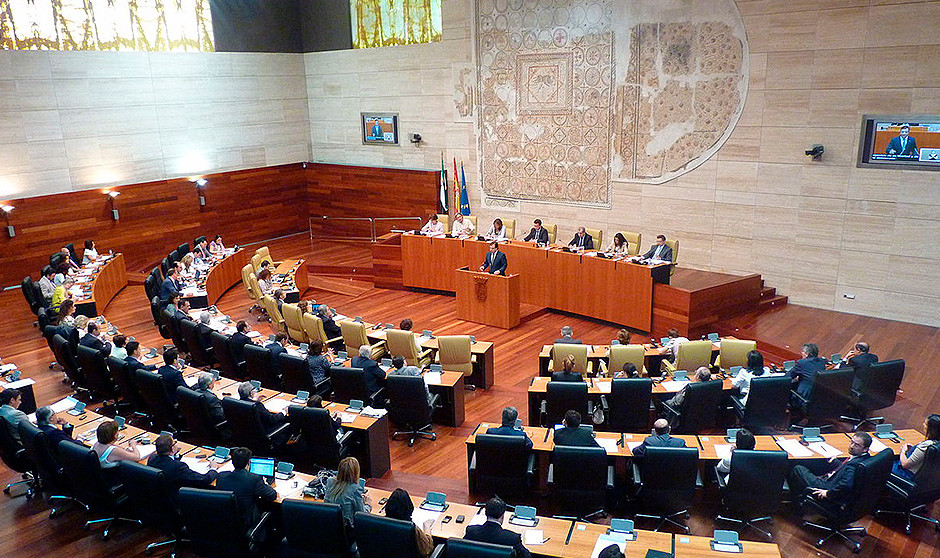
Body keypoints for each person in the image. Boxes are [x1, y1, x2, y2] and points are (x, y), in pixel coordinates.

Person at [788, 432, 873, 506]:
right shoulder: (865, 458)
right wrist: (836, 462)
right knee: (816, 463)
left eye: (857, 445)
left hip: (827, 487)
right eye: (852, 442)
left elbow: (846, 485)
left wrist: (828, 493)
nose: (852, 446)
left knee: (797, 468)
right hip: (833, 480)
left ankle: (797, 501)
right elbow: (847, 469)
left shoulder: (853, 465)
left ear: (865, 449)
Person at [216, 447, 277, 527]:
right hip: (245, 523)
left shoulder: (221, 476)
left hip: (224, 522)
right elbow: (272, 495)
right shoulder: (254, 479)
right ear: (249, 462)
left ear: (232, 462)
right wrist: (265, 484)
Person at [464, 497, 531, 558]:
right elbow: (527, 556)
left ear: (485, 513)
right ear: (502, 516)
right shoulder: (512, 538)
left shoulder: (471, 531)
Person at [147, 434, 218, 490]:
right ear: (172, 449)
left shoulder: (152, 458)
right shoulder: (178, 467)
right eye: (174, 442)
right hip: (175, 499)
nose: (176, 443)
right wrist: (213, 469)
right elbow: (204, 480)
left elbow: (168, 461)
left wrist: (175, 453)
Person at [384, 488, 435, 557]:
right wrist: (427, 527)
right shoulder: (412, 529)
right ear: (409, 508)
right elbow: (427, 549)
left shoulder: (379, 523)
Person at [325, 456, 370, 526]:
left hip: (330, 523)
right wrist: (367, 504)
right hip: (347, 528)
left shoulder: (330, 482)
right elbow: (362, 515)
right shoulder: (355, 489)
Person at [893, 414, 940, 481]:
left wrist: (903, 451)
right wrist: (914, 450)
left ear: (932, 429)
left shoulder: (926, 445)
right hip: (926, 479)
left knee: (881, 464)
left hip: (906, 474)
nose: (923, 424)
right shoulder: (937, 444)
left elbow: (905, 464)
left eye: (926, 424)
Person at [790, 343, 827, 407]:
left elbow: (788, 377)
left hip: (803, 399)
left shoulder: (801, 363)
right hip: (819, 399)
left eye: (803, 352)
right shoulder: (822, 361)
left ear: (806, 354)